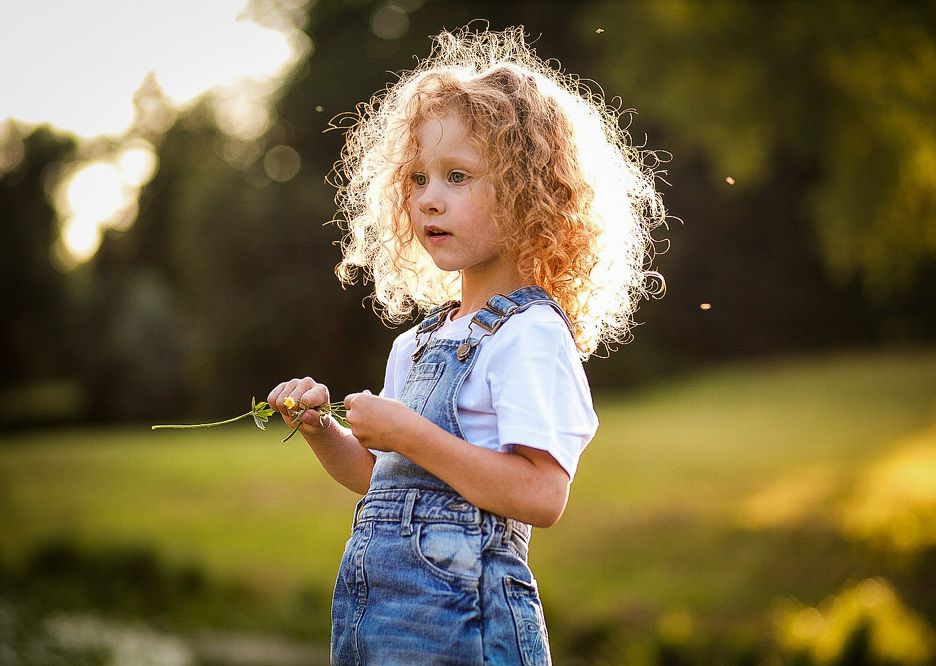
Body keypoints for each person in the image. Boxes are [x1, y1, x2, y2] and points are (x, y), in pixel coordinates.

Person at [267, 24, 666, 665]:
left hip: (468, 633)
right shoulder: (419, 343)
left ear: (528, 193)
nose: (429, 199)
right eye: (418, 178)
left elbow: (542, 496)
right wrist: (322, 432)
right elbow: (382, 485)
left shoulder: (529, 333)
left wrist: (407, 432)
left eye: (457, 176)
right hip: (380, 629)